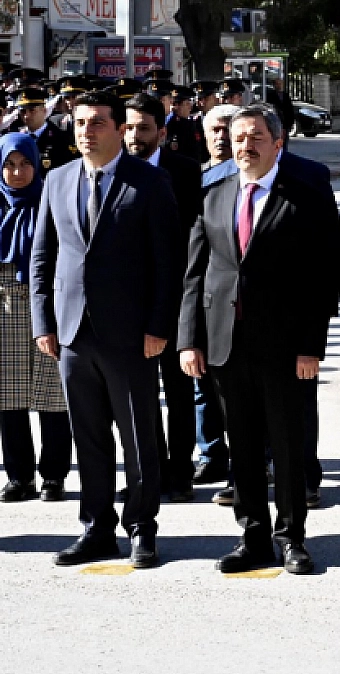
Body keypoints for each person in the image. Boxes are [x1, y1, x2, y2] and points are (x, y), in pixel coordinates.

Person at [178, 106, 340, 575]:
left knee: (288, 446)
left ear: (277, 143)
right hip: (226, 343)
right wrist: (190, 339)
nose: (245, 146)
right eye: (238, 138)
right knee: (242, 445)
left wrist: (312, 345)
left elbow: (322, 276)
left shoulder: (306, 195)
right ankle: (252, 535)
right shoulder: (214, 192)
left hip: (287, 347)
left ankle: (291, 537)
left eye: (255, 138)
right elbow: (195, 274)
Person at [30, 90, 181, 569]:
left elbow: (168, 261)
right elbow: (42, 257)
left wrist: (159, 324)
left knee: (138, 434)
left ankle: (142, 527)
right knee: (88, 435)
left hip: (131, 333)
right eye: (79, 122)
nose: (86, 130)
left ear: (119, 129)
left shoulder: (150, 182)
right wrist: (43, 322)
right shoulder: (57, 180)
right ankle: (96, 527)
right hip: (73, 331)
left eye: (96, 122)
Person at [121, 94, 203, 505]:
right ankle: (147, 471)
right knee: (138, 395)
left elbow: (195, 238)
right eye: (130, 128)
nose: (136, 136)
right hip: (129, 305)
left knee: (179, 390)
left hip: (176, 299)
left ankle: (180, 471)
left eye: (144, 128)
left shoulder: (186, 173)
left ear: (162, 132)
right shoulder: (112, 172)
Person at [0, 134, 71, 504]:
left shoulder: (50, 201)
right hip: (4, 311)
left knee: (53, 398)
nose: (17, 172)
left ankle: (54, 476)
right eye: (9, 165)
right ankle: (18, 477)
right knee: (8, 399)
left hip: (49, 308)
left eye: (24, 163)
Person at [12, 86, 75, 172]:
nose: (26, 116)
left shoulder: (61, 138)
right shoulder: (16, 137)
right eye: (23, 111)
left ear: (44, 111)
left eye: (32, 110)